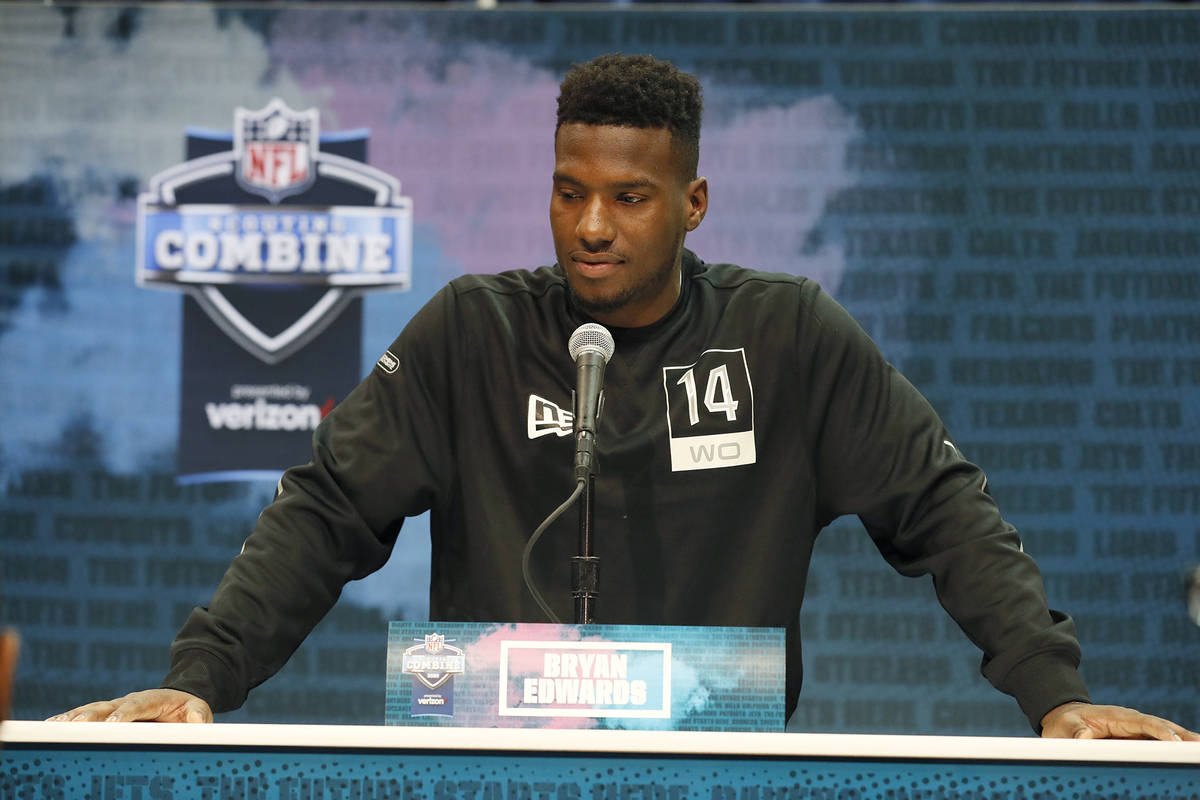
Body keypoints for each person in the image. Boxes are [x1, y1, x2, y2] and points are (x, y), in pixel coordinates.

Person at [52, 54, 1195, 741]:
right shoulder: (475, 331)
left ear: (693, 202)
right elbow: (325, 511)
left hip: (716, 772)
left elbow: (945, 508)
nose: (591, 224)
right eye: (569, 190)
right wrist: (197, 676)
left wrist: (1053, 692)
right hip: (494, 771)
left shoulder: (785, 335)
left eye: (630, 196)